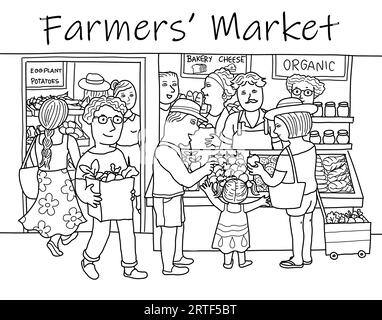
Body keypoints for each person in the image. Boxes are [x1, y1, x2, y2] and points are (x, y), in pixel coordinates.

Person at [76, 96, 147, 280]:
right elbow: (79, 182)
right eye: (102, 119)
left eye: (117, 120)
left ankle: (130, 266)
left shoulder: (119, 153)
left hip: (120, 200)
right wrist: (86, 196)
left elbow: (122, 174)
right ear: (89, 122)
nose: (111, 126)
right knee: (101, 232)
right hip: (100, 202)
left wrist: (131, 190)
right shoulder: (88, 157)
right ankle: (89, 260)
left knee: (127, 231)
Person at [248, 97, 318, 269]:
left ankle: (297, 258)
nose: (276, 131)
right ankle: (307, 255)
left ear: (292, 125)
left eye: (279, 126)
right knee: (307, 223)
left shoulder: (286, 154)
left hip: (297, 196)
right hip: (311, 193)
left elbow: (273, 181)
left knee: (297, 225)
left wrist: (259, 170)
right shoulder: (311, 146)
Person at [153, 98, 215, 276]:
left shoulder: (174, 148)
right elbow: (185, 179)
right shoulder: (165, 150)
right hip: (166, 197)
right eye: (192, 122)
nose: (195, 129)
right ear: (175, 121)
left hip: (174, 195)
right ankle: (168, 267)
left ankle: (177, 256)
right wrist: (204, 170)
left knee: (178, 226)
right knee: (169, 230)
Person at [19, 98, 85, 257]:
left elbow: (34, 161)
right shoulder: (68, 139)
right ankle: (57, 240)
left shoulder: (37, 139)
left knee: (52, 214)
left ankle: (61, 238)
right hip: (62, 180)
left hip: (44, 179)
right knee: (67, 211)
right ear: (62, 117)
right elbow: (78, 164)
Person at [201, 179, 269, 269]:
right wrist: (262, 201)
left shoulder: (223, 206)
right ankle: (242, 262)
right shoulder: (242, 207)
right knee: (241, 247)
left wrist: (208, 191)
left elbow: (214, 200)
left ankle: (227, 263)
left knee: (226, 248)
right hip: (240, 232)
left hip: (225, 232)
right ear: (244, 194)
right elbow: (255, 204)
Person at [220, 72, 281, 150]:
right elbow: (225, 148)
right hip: (239, 161)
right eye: (243, 93)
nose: (249, 97)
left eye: (254, 91)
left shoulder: (270, 119)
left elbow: (278, 148)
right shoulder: (233, 119)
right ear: (238, 97)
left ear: (262, 93)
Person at [111, 79, 141, 222]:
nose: (127, 99)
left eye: (131, 95)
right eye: (123, 96)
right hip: (118, 152)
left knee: (137, 181)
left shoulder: (139, 119)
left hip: (135, 151)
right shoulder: (113, 118)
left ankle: (139, 207)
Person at [202, 67, 237, 148]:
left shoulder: (232, 116)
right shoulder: (204, 115)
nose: (203, 90)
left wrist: (221, 144)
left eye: (208, 85)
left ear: (224, 92)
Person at [159, 72, 180, 137]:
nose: (172, 89)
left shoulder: (178, 109)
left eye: (174, 84)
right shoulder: (150, 111)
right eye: (164, 84)